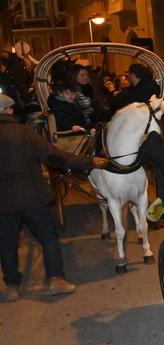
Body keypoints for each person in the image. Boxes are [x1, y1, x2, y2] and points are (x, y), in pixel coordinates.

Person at [0, 94, 109, 300]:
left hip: (3, 202)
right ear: (9, 111)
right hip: (33, 196)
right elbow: (53, 156)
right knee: (48, 236)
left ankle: (12, 286)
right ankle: (56, 280)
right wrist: (89, 161)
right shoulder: (24, 132)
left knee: (6, 241)